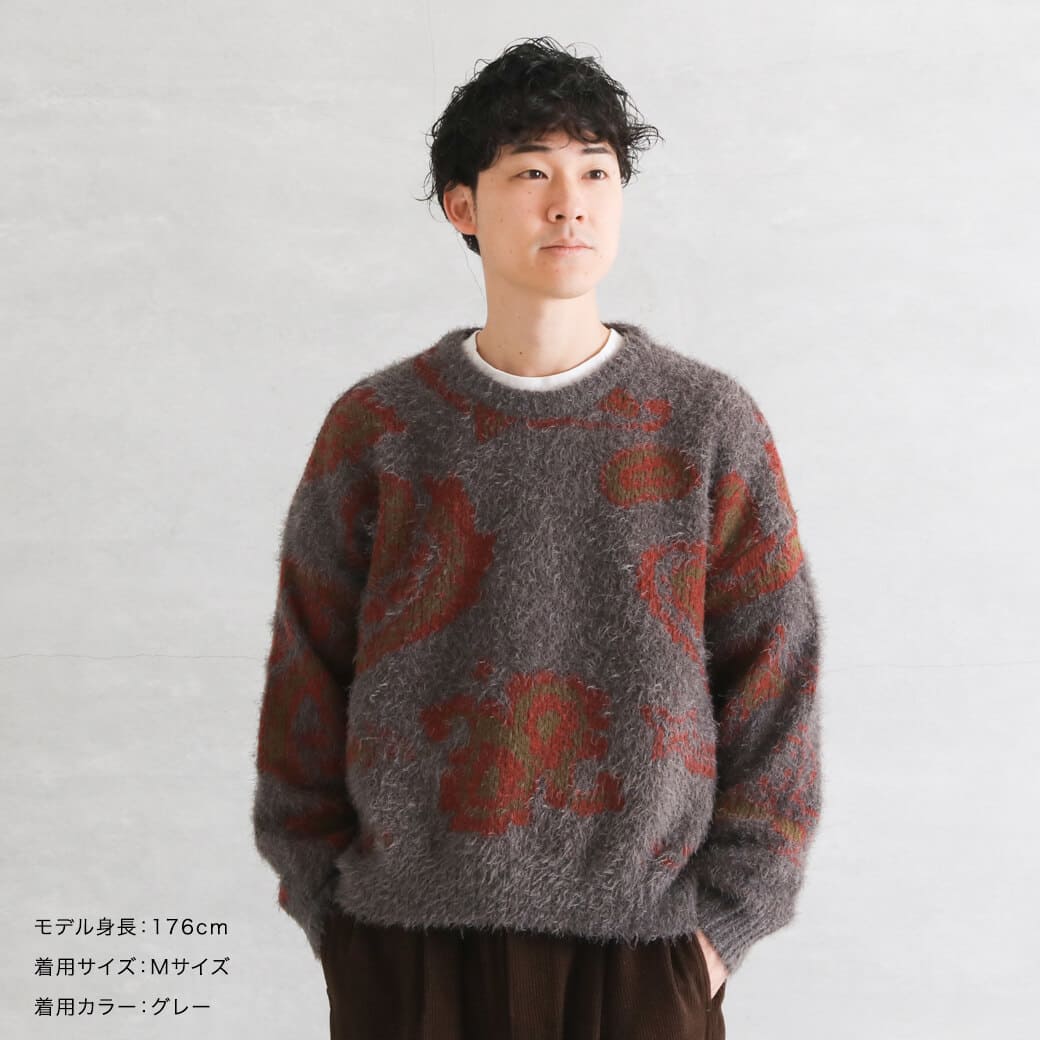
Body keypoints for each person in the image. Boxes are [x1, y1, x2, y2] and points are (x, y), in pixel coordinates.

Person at [251, 35, 823, 1040]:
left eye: (595, 172)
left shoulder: (703, 423)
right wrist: (332, 914)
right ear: (462, 207)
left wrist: (721, 927)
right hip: (407, 947)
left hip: (644, 953)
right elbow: (307, 670)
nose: (570, 203)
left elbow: (775, 675)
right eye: (531, 173)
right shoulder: (379, 428)